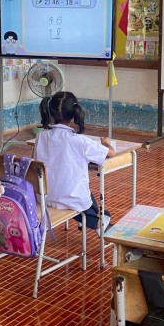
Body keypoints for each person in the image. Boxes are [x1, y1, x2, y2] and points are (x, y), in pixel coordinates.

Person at [33, 91, 115, 232]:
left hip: (44, 196)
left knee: (75, 191)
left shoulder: (41, 136)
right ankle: (97, 224)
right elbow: (111, 153)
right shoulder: (80, 141)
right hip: (71, 199)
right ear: (74, 114)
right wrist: (106, 143)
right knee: (80, 195)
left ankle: (93, 220)